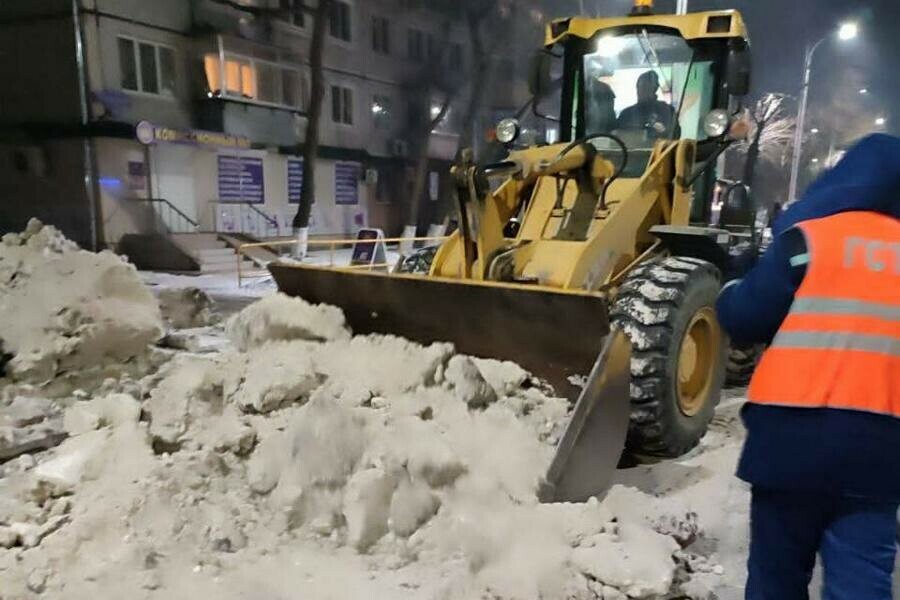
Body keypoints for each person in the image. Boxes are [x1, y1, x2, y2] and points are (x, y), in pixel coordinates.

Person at [716, 133, 900, 600]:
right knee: (861, 582)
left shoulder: (806, 241)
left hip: (788, 446)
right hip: (879, 453)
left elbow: (745, 317)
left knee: (776, 579)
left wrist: (728, 289)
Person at [616, 70, 676, 137]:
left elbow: (674, 136)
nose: (642, 91)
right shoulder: (626, 114)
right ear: (637, 88)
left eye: (646, 87)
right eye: (640, 86)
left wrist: (662, 130)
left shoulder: (667, 111)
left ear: (655, 88)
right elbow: (618, 138)